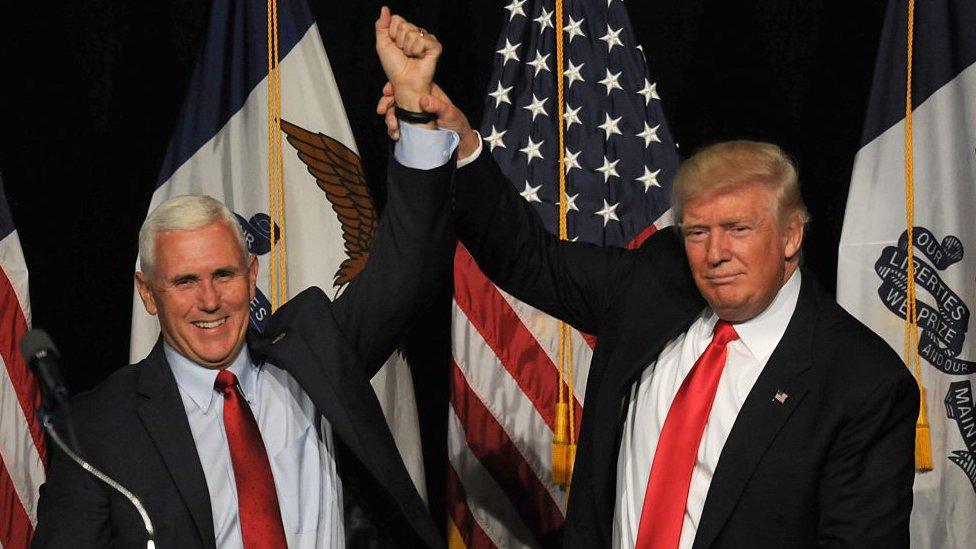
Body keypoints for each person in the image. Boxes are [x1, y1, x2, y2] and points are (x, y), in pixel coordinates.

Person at [378, 24, 918, 547]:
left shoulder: (860, 382)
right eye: (699, 231)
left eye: (738, 230)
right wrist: (459, 140)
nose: (715, 254)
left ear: (791, 235)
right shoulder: (658, 279)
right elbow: (529, 258)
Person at [33, 8, 453, 548]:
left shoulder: (315, 354)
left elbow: (405, 267)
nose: (209, 300)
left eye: (224, 274)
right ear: (148, 293)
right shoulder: (95, 431)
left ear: (252, 271)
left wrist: (416, 113)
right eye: (185, 281)